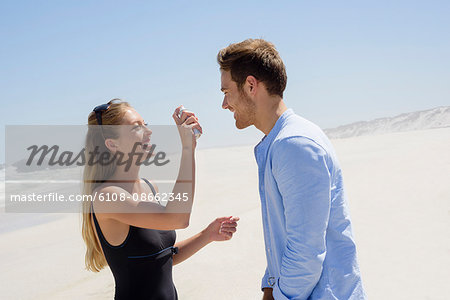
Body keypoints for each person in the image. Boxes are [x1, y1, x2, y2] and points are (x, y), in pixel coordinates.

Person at [217, 39, 366, 300]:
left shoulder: (293, 144)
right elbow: (285, 237)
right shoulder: (280, 142)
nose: (224, 104)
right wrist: (269, 284)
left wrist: (279, 295)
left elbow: (306, 250)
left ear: (251, 86)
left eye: (226, 92)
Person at [81, 99, 239, 300]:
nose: (148, 131)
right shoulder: (107, 196)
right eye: (136, 128)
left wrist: (207, 235)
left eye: (145, 124)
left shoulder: (149, 186)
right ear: (112, 144)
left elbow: (161, 259)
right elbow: (178, 219)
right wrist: (188, 149)